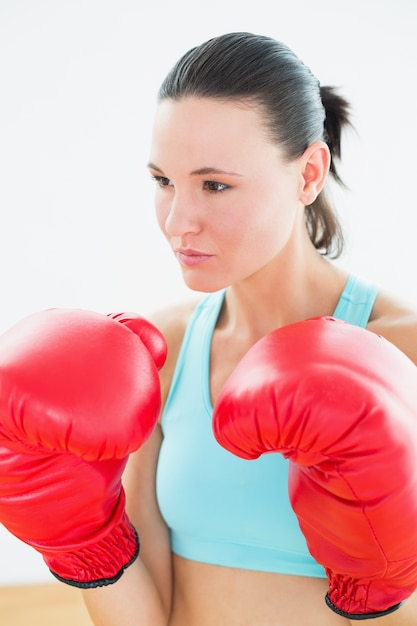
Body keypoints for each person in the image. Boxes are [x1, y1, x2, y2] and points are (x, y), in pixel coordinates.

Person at [0, 31, 417, 626]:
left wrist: (382, 581)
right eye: (163, 181)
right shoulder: (154, 354)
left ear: (308, 175)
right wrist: (82, 546)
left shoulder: (404, 350)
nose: (178, 221)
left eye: (214, 185)